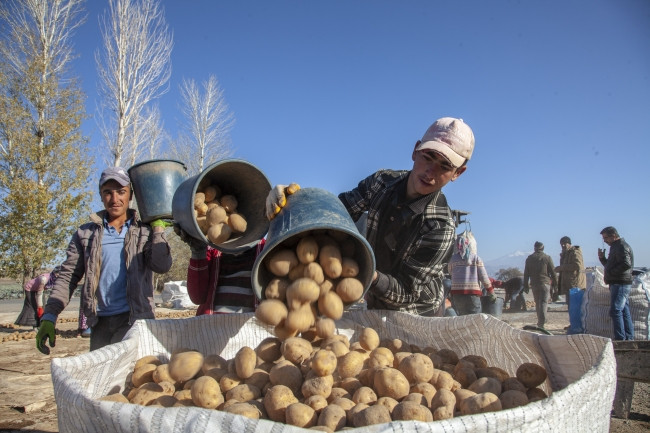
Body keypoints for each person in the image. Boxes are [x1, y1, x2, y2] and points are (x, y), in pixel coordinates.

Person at [267, 117, 475, 316]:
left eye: (445, 166)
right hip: (375, 300)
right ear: (415, 151)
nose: (430, 171)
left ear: (458, 173)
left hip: (417, 314)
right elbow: (337, 212)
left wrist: (368, 273)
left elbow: (407, 292)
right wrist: (296, 201)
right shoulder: (381, 182)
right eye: (427, 157)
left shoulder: (440, 227)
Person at [36, 166, 173, 353]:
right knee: (103, 378)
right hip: (99, 322)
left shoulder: (144, 232)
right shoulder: (85, 234)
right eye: (108, 192)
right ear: (101, 196)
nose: (115, 199)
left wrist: (158, 231)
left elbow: (162, 265)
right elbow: (67, 277)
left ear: (130, 195)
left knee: (131, 377)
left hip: (135, 322)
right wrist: (50, 316)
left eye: (121, 192)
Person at [175, 225, 265, 315]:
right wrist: (198, 252)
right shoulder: (211, 251)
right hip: (211, 326)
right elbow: (197, 298)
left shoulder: (265, 250)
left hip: (249, 327)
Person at [598, 226, 634, 341]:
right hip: (618, 282)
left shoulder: (621, 246)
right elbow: (611, 265)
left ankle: (621, 339)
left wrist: (612, 273)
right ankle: (628, 338)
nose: (605, 241)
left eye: (606, 238)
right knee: (623, 310)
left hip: (620, 282)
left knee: (616, 310)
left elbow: (626, 264)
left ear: (613, 236)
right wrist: (602, 259)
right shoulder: (616, 247)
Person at [447, 231, 494, 315]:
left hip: (457, 295)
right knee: (475, 320)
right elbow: (484, 277)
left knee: (462, 319)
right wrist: (491, 291)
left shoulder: (452, 259)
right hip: (472, 294)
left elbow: (450, 273)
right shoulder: (476, 258)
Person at [523, 241, 558, 329]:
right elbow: (553, 272)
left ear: (534, 248)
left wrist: (525, 285)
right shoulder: (546, 258)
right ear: (543, 248)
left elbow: (526, 273)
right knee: (543, 302)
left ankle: (541, 320)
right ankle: (541, 322)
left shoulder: (529, 258)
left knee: (538, 303)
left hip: (534, 284)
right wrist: (557, 283)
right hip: (544, 283)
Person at [553, 236, 586, 306]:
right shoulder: (566, 254)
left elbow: (577, 266)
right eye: (561, 244)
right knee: (571, 308)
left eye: (565, 243)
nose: (563, 245)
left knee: (576, 308)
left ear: (569, 243)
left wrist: (561, 268)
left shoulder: (575, 252)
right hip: (569, 285)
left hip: (575, 285)